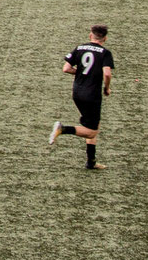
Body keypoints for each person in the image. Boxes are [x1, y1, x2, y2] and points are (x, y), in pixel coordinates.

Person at [49, 26, 114, 170]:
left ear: (91, 35)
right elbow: (107, 74)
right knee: (91, 132)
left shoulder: (79, 48)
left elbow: (66, 68)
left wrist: (82, 73)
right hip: (92, 95)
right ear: (105, 38)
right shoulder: (105, 53)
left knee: (92, 124)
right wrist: (107, 88)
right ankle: (63, 129)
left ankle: (91, 161)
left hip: (77, 92)